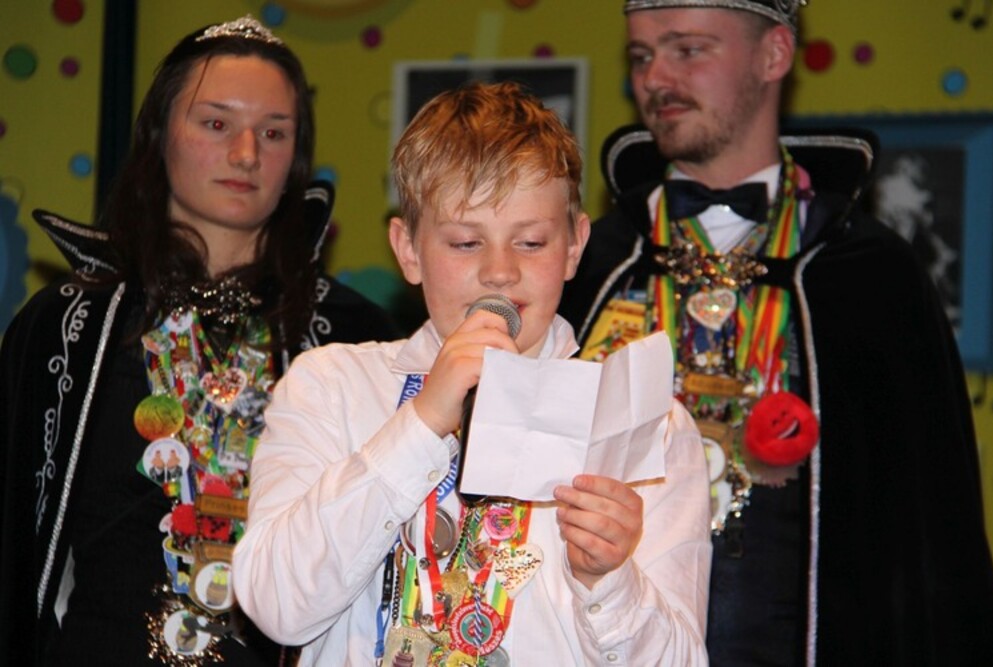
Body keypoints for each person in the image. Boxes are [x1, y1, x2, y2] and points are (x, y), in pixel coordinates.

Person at [559, 1, 993, 665]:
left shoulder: (871, 275)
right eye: (642, 56)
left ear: (774, 55)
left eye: (688, 49)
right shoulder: (585, 263)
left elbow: (932, 541)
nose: (655, 78)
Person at [232, 81, 711, 666]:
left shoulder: (645, 423)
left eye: (530, 241)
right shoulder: (331, 385)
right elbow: (277, 606)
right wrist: (422, 423)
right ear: (408, 249)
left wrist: (610, 580)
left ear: (574, 246)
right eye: (465, 242)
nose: (499, 271)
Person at [0, 15, 397, 666]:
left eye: (274, 132)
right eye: (216, 123)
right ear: (159, 136)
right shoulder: (68, 327)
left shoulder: (350, 336)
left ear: (296, 160)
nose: (246, 154)